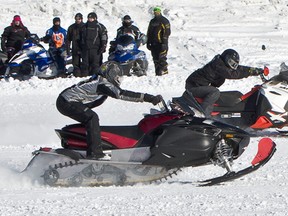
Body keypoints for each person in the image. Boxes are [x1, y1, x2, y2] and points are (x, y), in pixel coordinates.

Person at [56, 61, 162, 160]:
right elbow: (121, 94)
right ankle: (95, 153)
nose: (118, 80)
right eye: (117, 77)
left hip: (66, 100)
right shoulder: (103, 83)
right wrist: (149, 98)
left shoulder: (99, 81)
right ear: (111, 74)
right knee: (92, 117)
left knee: (90, 118)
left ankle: (87, 145)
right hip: (66, 101)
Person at [184, 49, 264, 118]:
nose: (232, 66)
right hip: (193, 88)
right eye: (231, 63)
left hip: (198, 86)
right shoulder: (218, 65)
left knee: (231, 94)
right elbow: (233, 74)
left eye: (234, 65)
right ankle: (203, 114)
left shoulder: (221, 64)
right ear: (226, 58)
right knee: (214, 92)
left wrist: (253, 70)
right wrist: (251, 72)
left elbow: (238, 69)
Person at [80, 12, 108, 76]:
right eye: (89, 18)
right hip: (86, 49)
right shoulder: (84, 26)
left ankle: (95, 76)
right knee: (85, 64)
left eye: (91, 18)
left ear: (95, 18)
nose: (90, 20)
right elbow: (81, 37)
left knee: (95, 64)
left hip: (96, 49)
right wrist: (81, 46)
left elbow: (104, 37)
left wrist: (103, 46)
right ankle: (84, 76)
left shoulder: (99, 26)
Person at [146, 7, 171, 76]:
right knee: (155, 59)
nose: (156, 13)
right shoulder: (152, 21)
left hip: (161, 43)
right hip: (153, 44)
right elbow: (149, 32)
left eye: (157, 12)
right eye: (155, 12)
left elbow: (167, 32)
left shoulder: (164, 21)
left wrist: (164, 43)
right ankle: (158, 74)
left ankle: (164, 73)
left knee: (162, 58)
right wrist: (148, 42)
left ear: (160, 12)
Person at [66, 13, 85, 77]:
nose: (78, 20)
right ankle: (77, 75)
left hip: (84, 48)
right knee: (76, 64)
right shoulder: (71, 27)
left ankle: (84, 75)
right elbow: (68, 39)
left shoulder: (85, 27)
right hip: (75, 48)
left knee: (85, 63)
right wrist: (68, 50)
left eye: (79, 19)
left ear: (82, 19)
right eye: (76, 19)